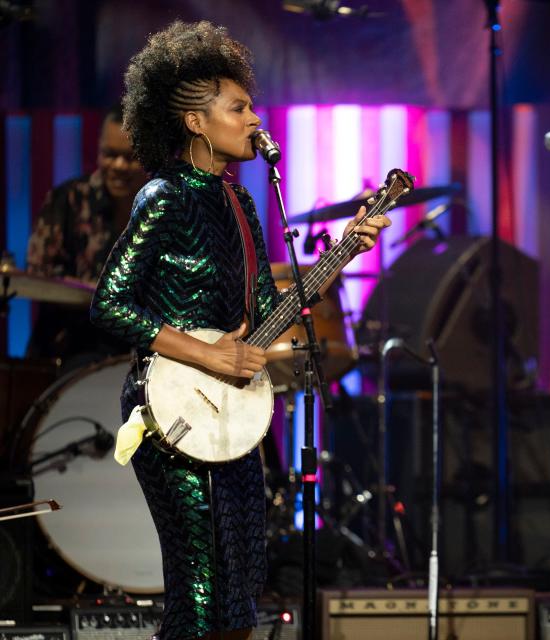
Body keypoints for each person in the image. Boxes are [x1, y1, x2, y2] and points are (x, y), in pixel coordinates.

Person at [90, 21, 390, 640]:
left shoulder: (242, 203)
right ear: (197, 122)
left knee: (237, 595)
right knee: (199, 593)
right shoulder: (163, 197)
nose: (256, 119)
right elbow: (110, 304)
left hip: (228, 415)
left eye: (252, 106)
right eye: (239, 108)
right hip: (169, 410)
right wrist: (205, 352)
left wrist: (342, 255)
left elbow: (268, 310)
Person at [25, 105, 148, 364]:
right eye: (109, 155)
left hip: (141, 350)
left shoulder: (162, 209)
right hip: (74, 346)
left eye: (130, 157)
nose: (119, 166)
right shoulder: (67, 200)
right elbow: (39, 275)